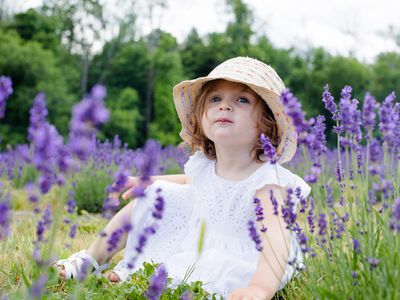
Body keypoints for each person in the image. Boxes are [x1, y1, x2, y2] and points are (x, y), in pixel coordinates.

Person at [53, 57, 311, 299]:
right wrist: (150, 180)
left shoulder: (268, 181)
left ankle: (138, 272)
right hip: (199, 233)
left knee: (199, 271)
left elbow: (277, 242)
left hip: (247, 256)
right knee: (155, 196)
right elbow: (194, 184)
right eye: (215, 98)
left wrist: (259, 288)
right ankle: (91, 259)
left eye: (242, 100)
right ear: (201, 117)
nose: (225, 105)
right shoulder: (204, 165)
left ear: (267, 122)